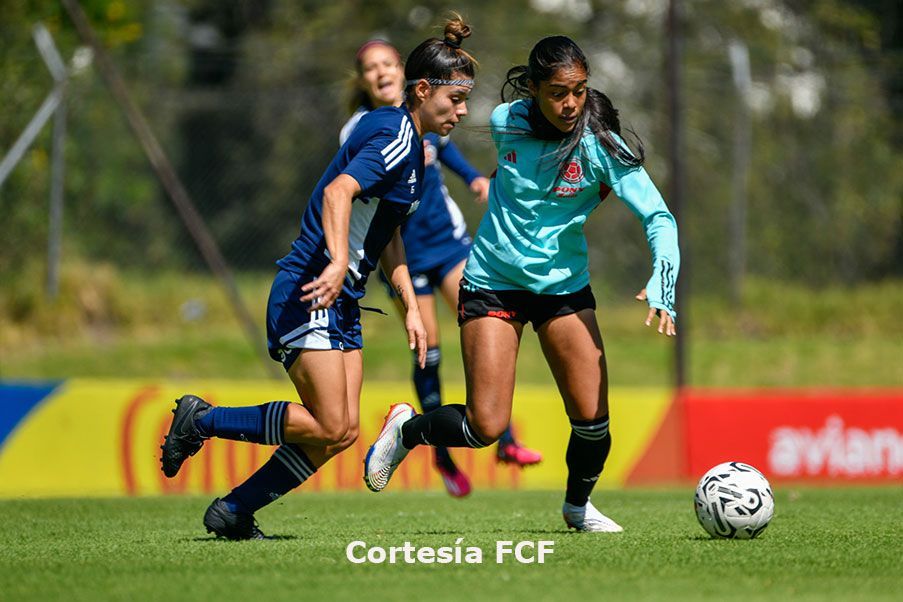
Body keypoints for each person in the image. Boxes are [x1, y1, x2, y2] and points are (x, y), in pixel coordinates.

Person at [159, 17, 479, 540]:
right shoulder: (396, 136)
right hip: (312, 290)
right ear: (423, 91)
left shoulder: (414, 153)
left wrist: (412, 307)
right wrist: (335, 262)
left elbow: (388, 236)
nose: (463, 111)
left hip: (341, 298)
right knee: (330, 424)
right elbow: (338, 193)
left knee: (342, 433)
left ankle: (234, 511)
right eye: (456, 99)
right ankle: (201, 420)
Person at [363, 36, 679, 533]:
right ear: (533, 90)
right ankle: (407, 430)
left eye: (578, 90)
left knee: (594, 423)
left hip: (563, 289)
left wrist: (663, 280)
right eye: (557, 92)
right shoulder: (505, 121)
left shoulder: (601, 145)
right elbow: (450, 108)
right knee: (484, 426)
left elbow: (659, 217)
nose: (570, 103)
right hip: (491, 282)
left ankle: (577, 507)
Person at [344, 40, 542, 498]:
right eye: (370, 68)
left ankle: (502, 436)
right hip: (402, 255)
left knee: (486, 322)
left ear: (404, 72)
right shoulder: (371, 129)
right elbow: (348, 192)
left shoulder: (428, 118)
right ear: (363, 80)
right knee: (428, 348)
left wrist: (474, 176)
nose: (381, 72)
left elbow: (445, 149)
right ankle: (441, 454)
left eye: (387, 63)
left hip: (448, 244)